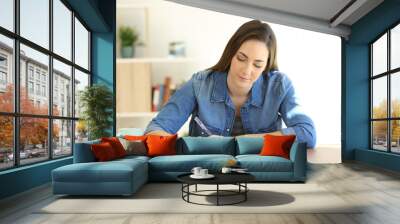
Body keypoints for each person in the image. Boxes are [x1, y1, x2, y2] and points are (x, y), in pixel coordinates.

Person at [144, 20, 316, 148]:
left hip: (262, 174)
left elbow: (308, 134)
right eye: (242, 58)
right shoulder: (200, 84)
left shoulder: (279, 86)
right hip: (207, 175)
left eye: (257, 64)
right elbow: (156, 129)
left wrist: (245, 140)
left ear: (266, 66)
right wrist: (183, 147)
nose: (247, 70)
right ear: (231, 54)